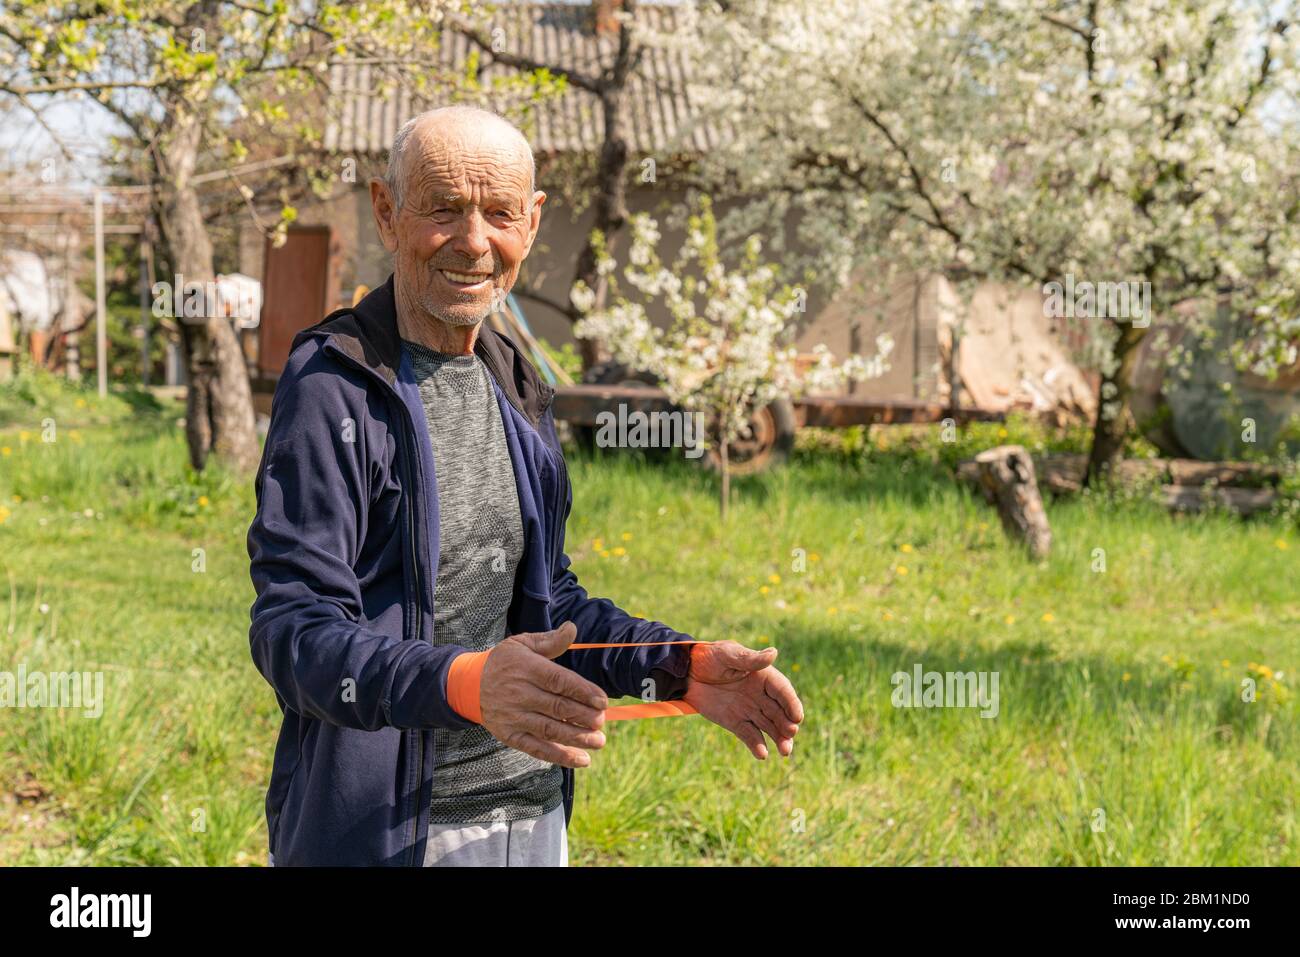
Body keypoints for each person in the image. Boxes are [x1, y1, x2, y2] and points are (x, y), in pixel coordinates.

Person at [247, 105, 804, 866]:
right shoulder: (335, 385)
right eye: (443, 208)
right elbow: (293, 633)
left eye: (499, 213)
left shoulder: (515, 382)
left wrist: (676, 663)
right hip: (387, 834)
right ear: (386, 210)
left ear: (532, 223)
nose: (474, 241)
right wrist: (465, 682)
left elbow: (551, 602)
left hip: (534, 820)